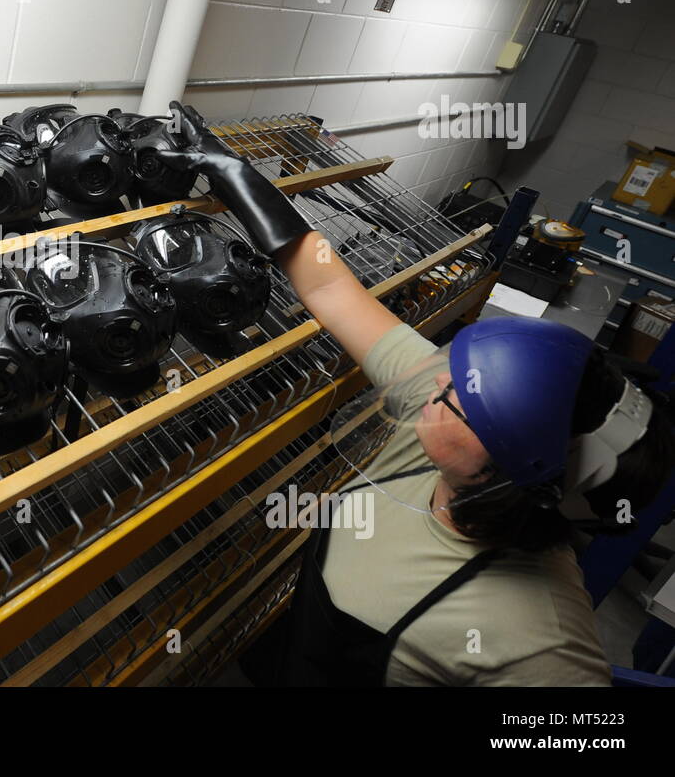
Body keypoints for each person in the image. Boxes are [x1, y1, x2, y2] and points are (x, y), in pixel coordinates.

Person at [156, 101, 675, 687]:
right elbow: (329, 284)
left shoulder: (538, 645)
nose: (435, 384)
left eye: (460, 398)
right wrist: (231, 171)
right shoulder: (435, 429)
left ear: (512, 475)